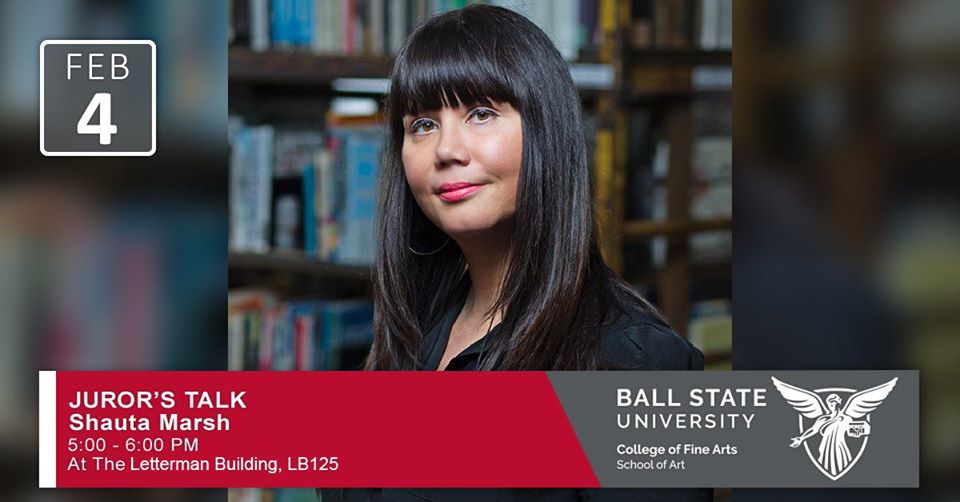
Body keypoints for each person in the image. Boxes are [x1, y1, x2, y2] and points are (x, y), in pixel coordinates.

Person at [323, 5, 707, 501]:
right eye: (422, 124)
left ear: (546, 133)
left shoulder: (636, 366)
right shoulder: (415, 327)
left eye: (480, 114)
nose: (446, 149)